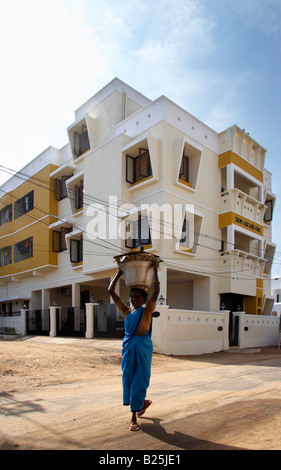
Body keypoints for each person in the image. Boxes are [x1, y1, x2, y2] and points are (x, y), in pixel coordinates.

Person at [108, 259, 160, 431]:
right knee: (129, 380)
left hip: (143, 347)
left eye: (138, 297)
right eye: (132, 297)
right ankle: (142, 403)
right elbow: (111, 291)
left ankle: (133, 416)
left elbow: (156, 291)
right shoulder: (126, 311)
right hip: (129, 347)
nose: (134, 299)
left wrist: (155, 270)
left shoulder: (147, 310)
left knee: (139, 380)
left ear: (144, 299)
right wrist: (119, 273)